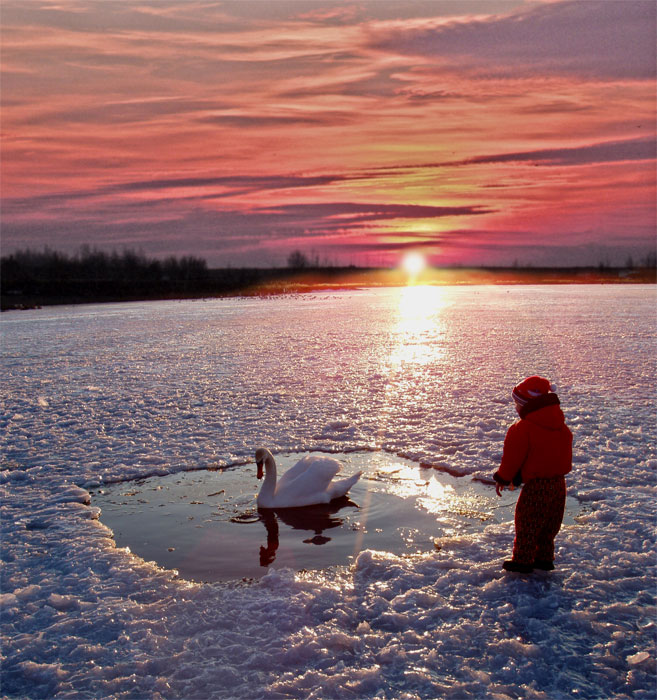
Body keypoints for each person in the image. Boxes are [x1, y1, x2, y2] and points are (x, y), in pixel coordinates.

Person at [494, 376, 573, 573]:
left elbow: (513, 458)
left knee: (527, 523)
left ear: (527, 404)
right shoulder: (561, 426)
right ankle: (544, 559)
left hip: (537, 487)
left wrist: (504, 478)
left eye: (517, 403)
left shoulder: (522, 429)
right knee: (549, 525)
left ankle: (522, 561)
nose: (515, 408)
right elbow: (553, 455)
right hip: (558, 485)